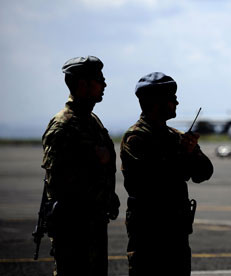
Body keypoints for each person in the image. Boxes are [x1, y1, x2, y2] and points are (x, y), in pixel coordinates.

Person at [120, 72, 214, 275]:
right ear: (155, 102)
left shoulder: (176, 137)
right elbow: (151, 181)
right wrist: (183, 155)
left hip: (176, 231)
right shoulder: (136, 138)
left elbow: (204, 172)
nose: (176, 102)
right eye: (171, 98)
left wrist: (192, 154)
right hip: (150, 232)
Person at [41, 56, 120, 276]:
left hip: (94, 224)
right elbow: (58, 182)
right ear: (83, 84)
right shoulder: (63, 125)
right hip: (73, 229)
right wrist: (95, 160)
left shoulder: (91, 120)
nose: (104, 84)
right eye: (99, 80)